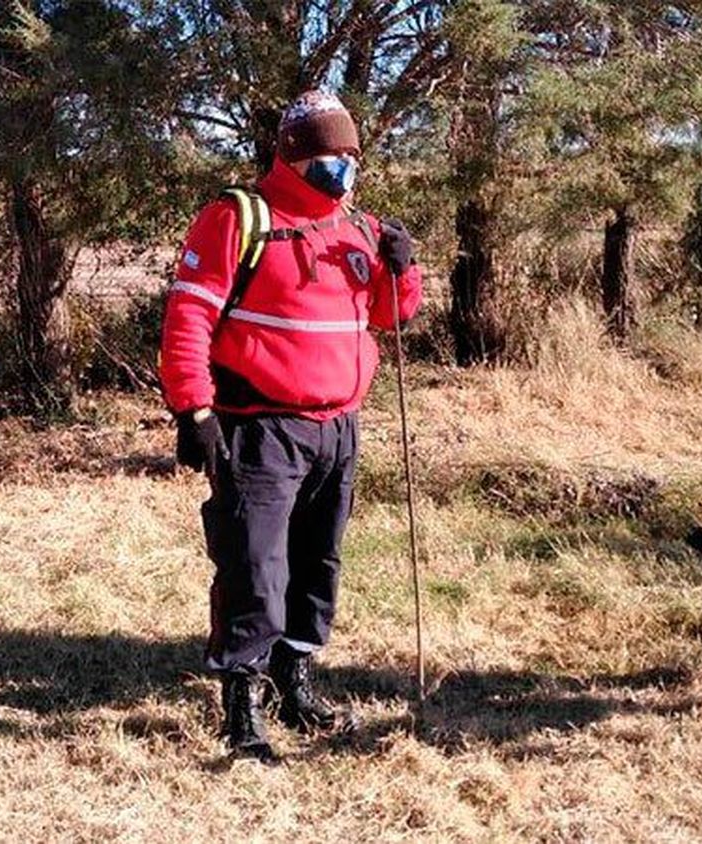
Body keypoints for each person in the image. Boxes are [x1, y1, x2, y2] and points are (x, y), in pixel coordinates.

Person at [159, 91, 423, 760]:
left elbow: (389, 316)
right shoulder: (238, 218)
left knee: (318, 561)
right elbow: (189, 318)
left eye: (352, 155)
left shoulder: (359, 229)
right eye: (333, 154)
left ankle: (293, 676)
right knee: (254, 565)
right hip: (261, 428)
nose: (346, 166)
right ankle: (241, 703)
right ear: (297, 154)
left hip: (339, 427)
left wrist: (404, 267)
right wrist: (193, 409)